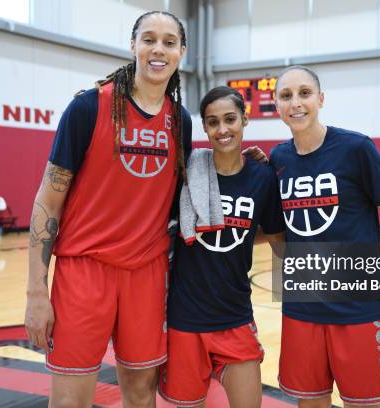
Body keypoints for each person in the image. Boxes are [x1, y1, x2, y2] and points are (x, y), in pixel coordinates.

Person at [24, 11, 192, 408]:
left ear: (181, 53)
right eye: (148, 39)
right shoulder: (88, 108)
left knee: (139, 394)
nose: (158, 49)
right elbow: (48, 199)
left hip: (147, 275)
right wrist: (36, 290)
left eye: (170, 42)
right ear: (133, 45)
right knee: (70, 400)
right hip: (84, 271)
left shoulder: (179, 120)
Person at [270, 65, 380, 407]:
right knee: (310, 402)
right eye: (286, 96)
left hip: (358, 311)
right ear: (276, 106)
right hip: (302, 309)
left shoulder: (357, 149)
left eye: (305, 93)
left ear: (320, 99)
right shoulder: (278, 159)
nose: (296, 103)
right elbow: (279, 230)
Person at [158, 86, 285, 408]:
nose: (223, 129)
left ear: (245, 118)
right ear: (205, 128)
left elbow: (273, 236)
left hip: (234, 316)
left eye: (230, 119)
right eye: (213, 122)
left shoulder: (263, 177)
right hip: (185, 318)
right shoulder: (187, 171)